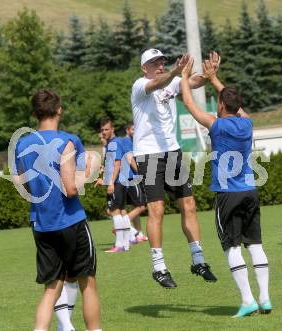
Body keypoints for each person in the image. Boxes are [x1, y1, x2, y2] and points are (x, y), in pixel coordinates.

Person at [181, 56, 271, 317]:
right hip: (250, 190)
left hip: (228, 195)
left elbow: (188, 103)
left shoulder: (216, 124)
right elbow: (237, 105)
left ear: (220, 105)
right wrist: (215, 80)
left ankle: (247, 301)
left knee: (231, 247)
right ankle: (264, 299)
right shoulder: (247, 123)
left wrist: (184, 77)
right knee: (255, 245)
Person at [14, 89, 101, 331]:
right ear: (59, 110)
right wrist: (91, 170)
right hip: (71, 220)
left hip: (41, 223)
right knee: (88, 283)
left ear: (34, 113)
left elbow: (21, 182)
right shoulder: (67, 140)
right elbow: (71, 188)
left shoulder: (22, 144)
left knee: (51, 288)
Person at [131, 48, 218, 288]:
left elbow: (191, 82)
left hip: (173, 151)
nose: (159, 65)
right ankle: (159, 267)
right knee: (156, 209)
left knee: (188, 204)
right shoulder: (140, 85)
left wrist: (208, 76)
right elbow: (160, 82)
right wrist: (175, 71)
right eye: (154, 63)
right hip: (148, 154)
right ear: (144, 68)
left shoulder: (172, 80)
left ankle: (198, 260)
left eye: (161, 62)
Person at [100, 117, 131, 252]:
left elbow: (117, 163)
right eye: (102, 130)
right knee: (122, 211)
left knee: (114, 211)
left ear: (112, 129)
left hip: (118, 181)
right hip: (121, 181)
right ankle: (126, 244)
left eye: (107, 129)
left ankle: (119, 245)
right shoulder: (112, 143)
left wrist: (111, 182)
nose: (104, 132)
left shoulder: (114, 143)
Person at [119, 122, 148, 243]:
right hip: (131, 177)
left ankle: (137, 234)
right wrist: (141, 173)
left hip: (125, 178)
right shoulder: (126, 141)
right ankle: (122, 225)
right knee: (141, 206)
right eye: (132, 129)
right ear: (127, 130)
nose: (135, 131)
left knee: (132, 206)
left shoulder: (133, 141)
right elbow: (130, 159)